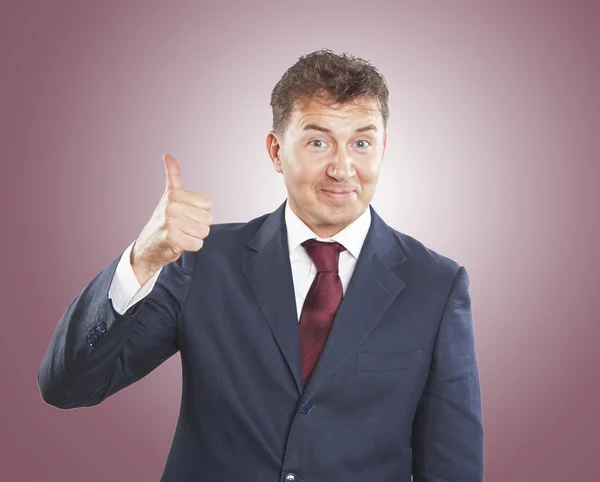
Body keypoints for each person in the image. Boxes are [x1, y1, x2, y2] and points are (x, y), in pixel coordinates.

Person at [38, 49, 484, 481]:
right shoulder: (201, 262)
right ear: (275, 151)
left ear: (382, 150)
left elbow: (452, 466)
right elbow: (69, 386)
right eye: (317, 142)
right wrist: (142, 259)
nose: (343, 168)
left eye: (361, 143)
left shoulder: (436, 285)